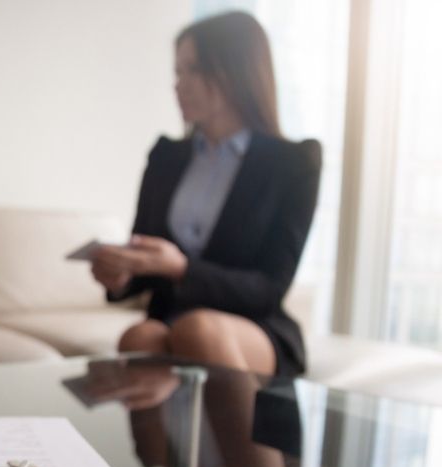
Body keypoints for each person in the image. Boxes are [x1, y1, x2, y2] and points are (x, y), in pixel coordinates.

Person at [91, 11, 322, 377]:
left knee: (198, 330)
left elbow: (270, 287)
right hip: (170, 318)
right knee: (140, 337)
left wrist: (182, 268)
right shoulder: (167, 156)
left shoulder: (292, 163)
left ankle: (246, 439)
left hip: (254, 326)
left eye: (192, 70)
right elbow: (147, 256)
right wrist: (122, 275)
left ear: (235, 72)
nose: (179, 85)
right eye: (177, 73)